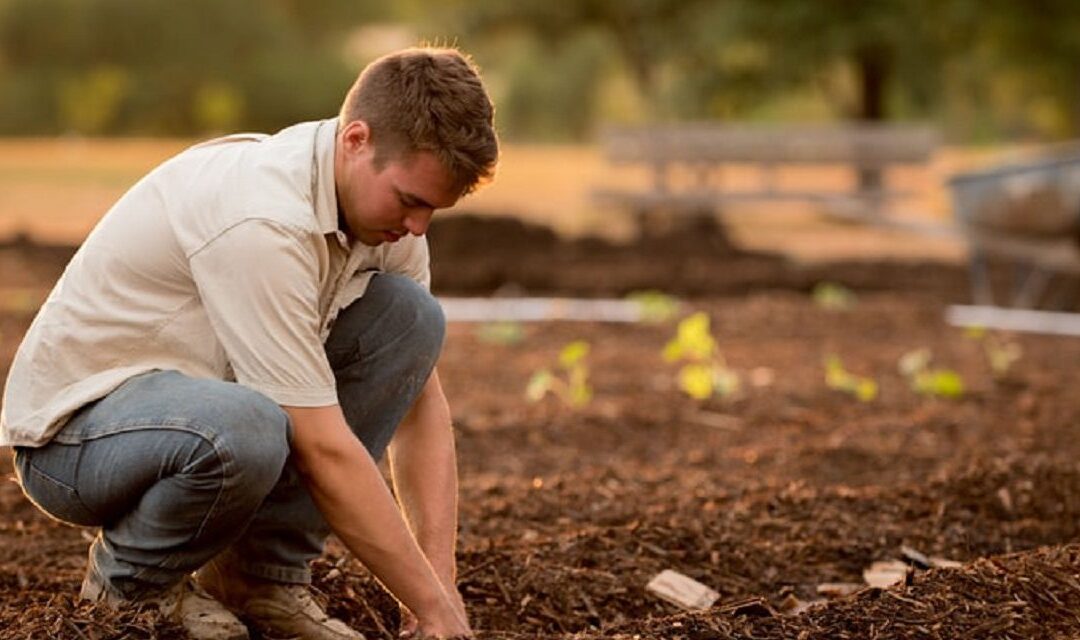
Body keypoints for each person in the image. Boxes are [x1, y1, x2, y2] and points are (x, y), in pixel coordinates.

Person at [0, 46, 498, 640]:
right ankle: (131, 588)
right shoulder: (264, 220)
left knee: (411, 319)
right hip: (75, 439)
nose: (418, 227)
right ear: (356, 140)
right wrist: (431, 605)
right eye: (410, 201)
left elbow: (418, 404)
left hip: (202, 409)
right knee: (250, 426)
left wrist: (437, 590)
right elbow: (323, 447)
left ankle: (258, 579)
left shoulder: (385, 223)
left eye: (433, 211)